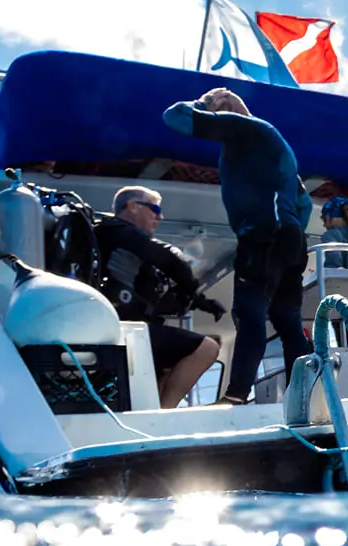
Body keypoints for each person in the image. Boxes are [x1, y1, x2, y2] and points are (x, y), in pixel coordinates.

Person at [161, 87, 312, 404]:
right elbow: (304, 202)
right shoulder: (273, 144)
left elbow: (174, 116)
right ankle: (308, 397)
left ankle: (236, 394)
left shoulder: (244, 128)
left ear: (225, 110)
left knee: (249, 312)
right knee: (287, 322)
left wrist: (203, 102)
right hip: (291, 239)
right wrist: (290, 227)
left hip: (262, 235)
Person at [94, 186, 225, 408]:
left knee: (169, 366)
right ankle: (166, 414)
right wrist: (192, 286)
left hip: (128, 330)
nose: (160, 216)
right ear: (133, 207)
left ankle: (157, 414)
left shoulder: (118, 242)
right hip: (123, 331)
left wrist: (199, 302)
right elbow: (170, 259)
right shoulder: (118, 231)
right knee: (207, 348)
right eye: (154, 208)